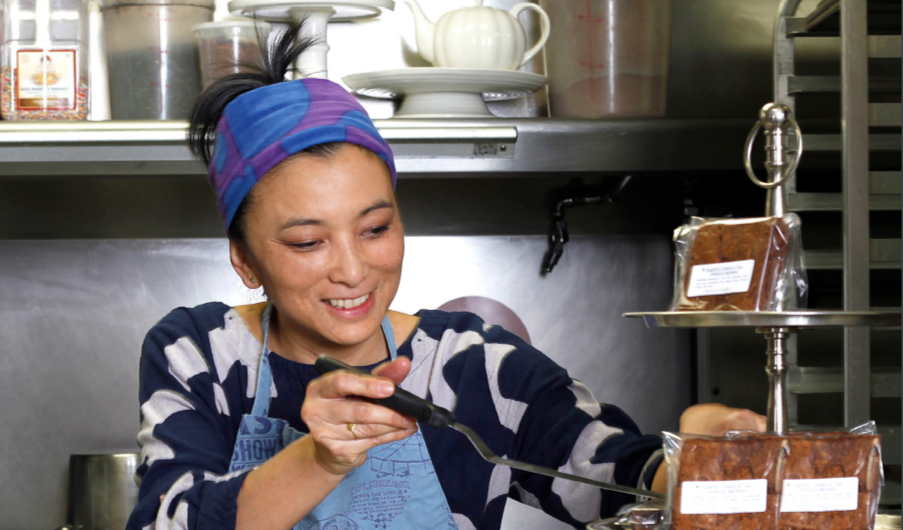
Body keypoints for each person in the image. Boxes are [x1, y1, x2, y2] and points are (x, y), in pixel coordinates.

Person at [126, 23, 766, 530]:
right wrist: (319, 457)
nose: (352, 269)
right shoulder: (201, 355)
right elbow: (167, 523)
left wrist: (697, 460)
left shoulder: (471, 365)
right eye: (307, 241)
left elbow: (613, 475)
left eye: (375, 228)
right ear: (245, 259)